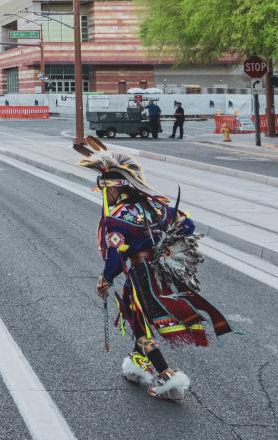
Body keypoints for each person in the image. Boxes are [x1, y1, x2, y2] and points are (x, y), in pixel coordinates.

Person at [74, 137, 231, 400]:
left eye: (106, 189)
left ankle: (168, 376)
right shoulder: (158, 207)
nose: (105, 194)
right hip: (161, 273)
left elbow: (114, 256)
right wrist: (159, 243)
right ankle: (137, 362)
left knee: (139, 324)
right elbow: (188, 225)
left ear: (116, 188)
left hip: (139, 276)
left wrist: (105, 279)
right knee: (141, 319)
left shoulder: (118, 218)